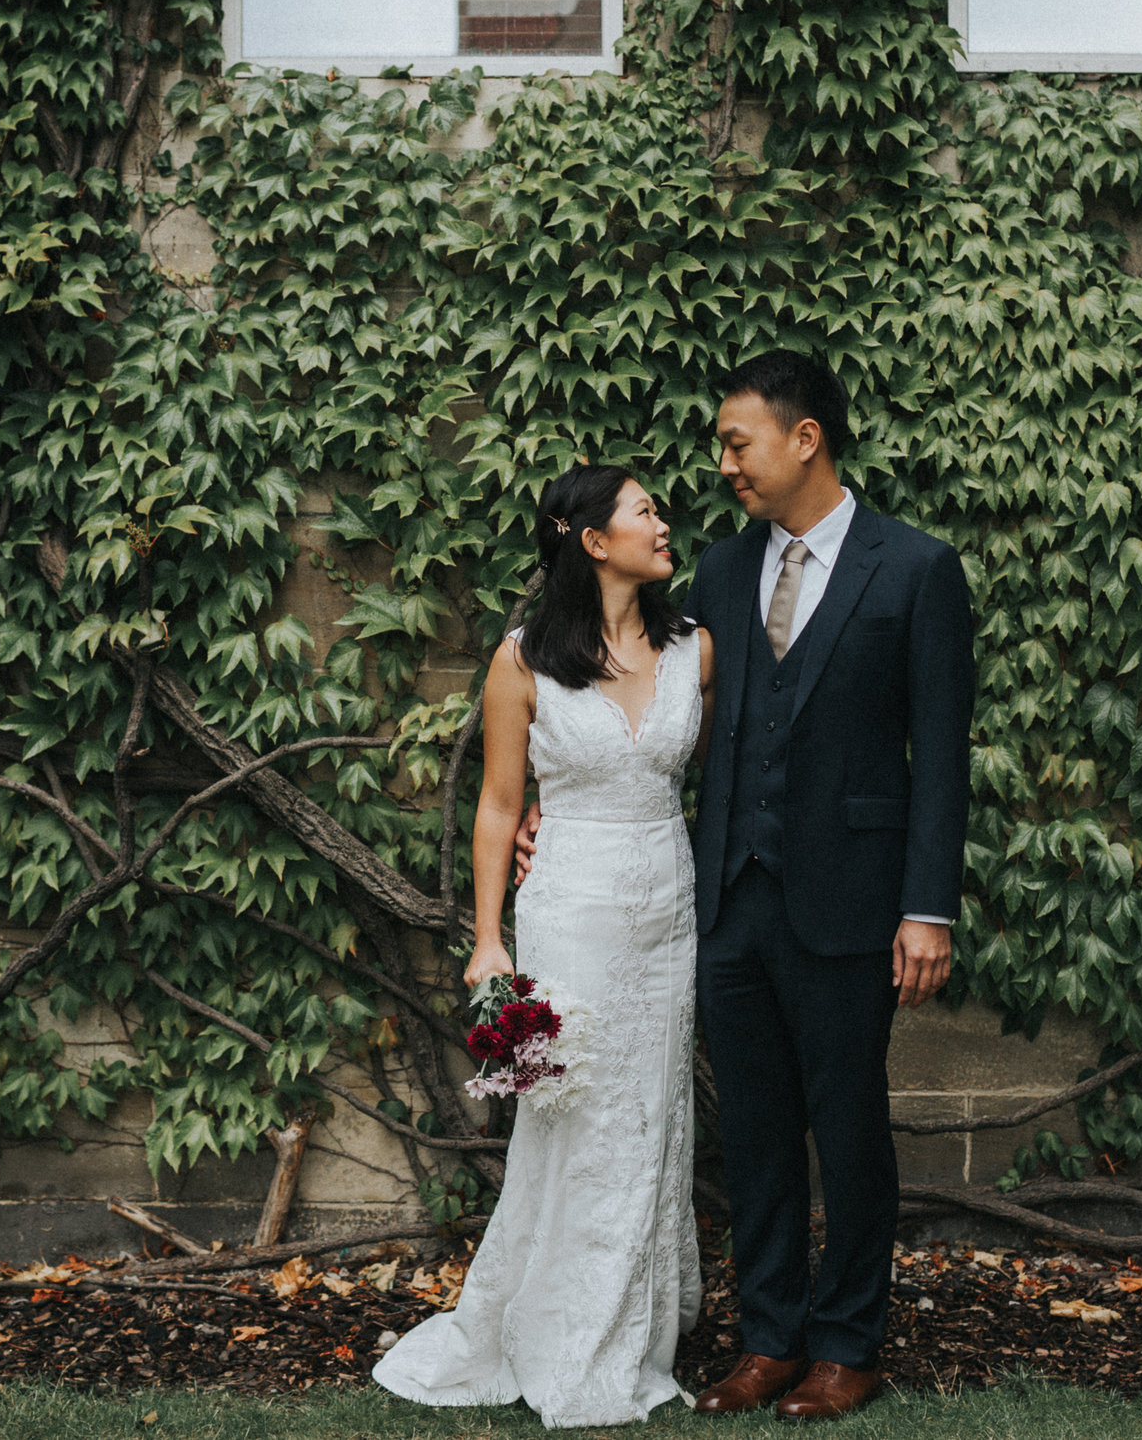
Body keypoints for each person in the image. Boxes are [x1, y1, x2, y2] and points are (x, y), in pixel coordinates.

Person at [373, 464, 716, 1428]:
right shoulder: (522, 659)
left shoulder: (697, 647)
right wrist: (487, 939)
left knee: (653, 1110)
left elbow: (702, 783)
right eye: (644, 509)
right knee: (575, 1118)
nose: (663, 520)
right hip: (571, 910)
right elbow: (497, 805)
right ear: (594, 540)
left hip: (669, 909)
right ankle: (561, 1332)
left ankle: (638, 1330)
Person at [677, 349, 974, 1421]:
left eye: (736, 441)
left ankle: (848, 1341)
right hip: (731, 899)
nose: (723, 464)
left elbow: (940, 751)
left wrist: (926, 905)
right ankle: (768, 1335)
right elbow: (675, 718)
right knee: (751, 1129)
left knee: (847, 1127)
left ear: (805, 437)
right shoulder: (716, 570)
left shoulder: (915, 569)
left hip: (851, 900)